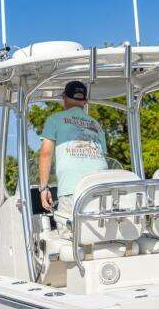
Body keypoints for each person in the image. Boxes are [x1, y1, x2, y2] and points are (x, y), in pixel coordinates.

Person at [38, 80, 108, 235]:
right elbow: (104, 156)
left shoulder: (55, 119)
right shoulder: (97, 125)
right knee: (99, 235)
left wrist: (43, 188)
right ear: (85, 101)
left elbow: (45, 154)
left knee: (70, 238)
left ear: (64, 98)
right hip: (101, 188)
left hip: (72, 190)